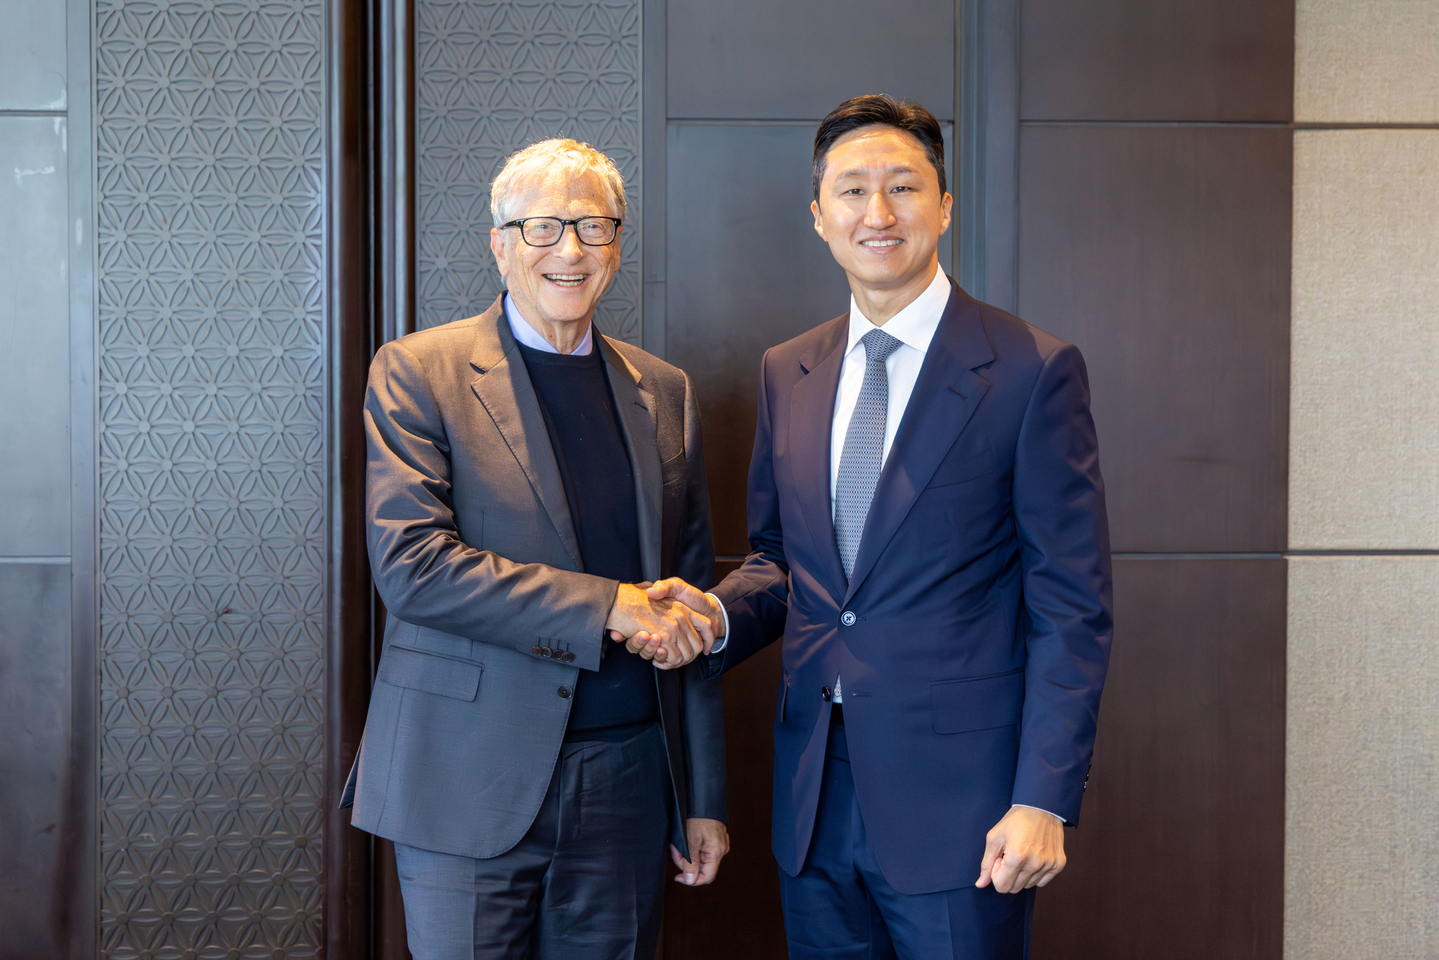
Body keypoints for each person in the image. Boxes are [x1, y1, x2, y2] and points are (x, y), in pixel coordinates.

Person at [641, 95, 1113, 959]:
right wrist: (711, 616)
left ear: (943, 205)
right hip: (813, 802)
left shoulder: (1030, 370)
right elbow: (786, 561)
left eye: (903, 186)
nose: (879, 213)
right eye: (852, 191)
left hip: (966, 813)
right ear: (819, 216)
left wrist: (1042, 798)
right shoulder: (790, 369)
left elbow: (1071, 607)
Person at [342, 138, 729, 960]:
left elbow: (690, 602)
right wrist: (609, 606)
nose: (570, 250)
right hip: (463, 779)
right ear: (500, 243)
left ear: (616, 246)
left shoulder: (664, 392)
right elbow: (413, 569)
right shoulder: (419, 371)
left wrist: (701, 795)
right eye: (543, 226)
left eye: (593, 226)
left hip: (626, 787)